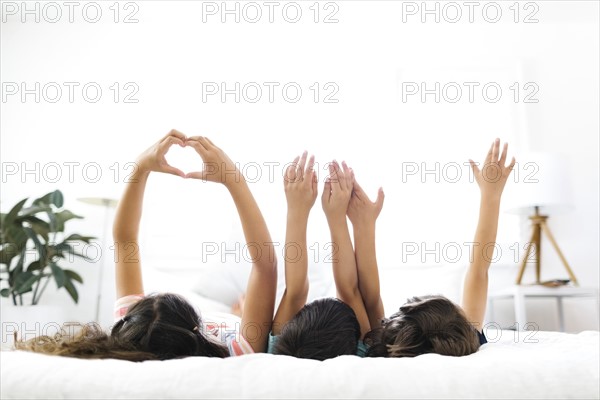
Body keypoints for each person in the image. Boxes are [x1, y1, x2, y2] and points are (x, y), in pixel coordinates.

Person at [15, 130, 278, 360]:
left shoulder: (132, 334)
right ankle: (240, 309)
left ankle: (240, 309)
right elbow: (265, 266)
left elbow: (125, 238)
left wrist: (140, 168)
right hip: (236, 321)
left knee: (243, 306)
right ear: (197, 327)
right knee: (246, 307)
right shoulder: (238, 351)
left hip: (231, 320)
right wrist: (233, 179)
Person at [365, 138, 515, 358]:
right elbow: (478, 270)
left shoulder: (383, 350)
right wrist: (491, 195)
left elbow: (478, 271)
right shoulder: (464, 341)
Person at [270, 157, 383, 360]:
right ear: (356, 348)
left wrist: (299, 210)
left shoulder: (281, 351)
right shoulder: (364, 357)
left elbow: (297, 291)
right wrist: (340, 218)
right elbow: (352, 293)